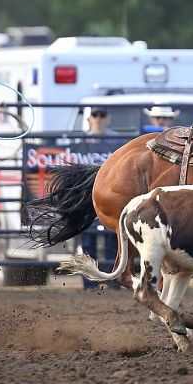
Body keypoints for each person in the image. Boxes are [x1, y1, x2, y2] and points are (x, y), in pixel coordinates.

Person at [80, 107, 120, 291]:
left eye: (102, 115)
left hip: (109, 195)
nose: (98, 118)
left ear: (108, 118)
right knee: (89, 240)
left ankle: (113, 280)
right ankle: (90, 282)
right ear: (89, 119)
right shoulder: (81, 142)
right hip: (89, 195)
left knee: (113, 238)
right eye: (95, 115)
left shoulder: (116, 141)